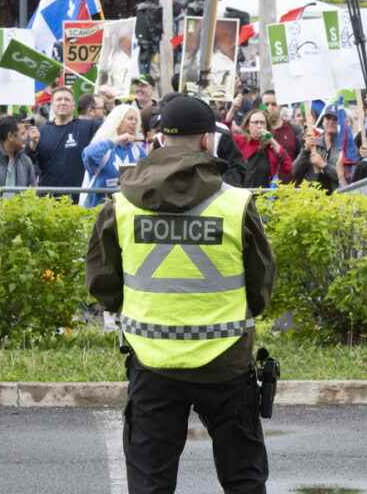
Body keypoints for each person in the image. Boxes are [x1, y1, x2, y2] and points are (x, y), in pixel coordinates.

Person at [85, 95, 274, 494]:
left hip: (151, 361)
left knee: (151, 481)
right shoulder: (236, 204)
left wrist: (138, 309)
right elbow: (260, 284)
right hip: (226, 360)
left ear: (156, 139)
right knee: (243, 478)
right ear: (208, 141)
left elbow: (102, 282)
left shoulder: (120, 205)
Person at [28, 86, 100, 202]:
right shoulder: (40, 132)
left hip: (78, 198)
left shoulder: (88, 127)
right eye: (59, 99)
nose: (63, 102)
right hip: (48, 200)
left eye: (67, 100)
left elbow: (111, 127)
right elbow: (29, 162)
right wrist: (32, 144)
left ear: (73, 105)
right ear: (52, 104)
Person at [80, 104, 149, 208]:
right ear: (118, 121)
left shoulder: (137, 151)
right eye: (130, 118)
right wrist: (115, 140)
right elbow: (88, 155)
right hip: (97, 211)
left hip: (126, 212)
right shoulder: (104, 147)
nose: (134, 122)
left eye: (136, 120)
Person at [231, 109, 292, 187]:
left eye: (262, 123)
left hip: (263, 195)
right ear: (247, 126)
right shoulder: (238, 141)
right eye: (256, 122)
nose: (259, 126)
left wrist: (272, 141)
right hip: (242, 193)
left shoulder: (271, 147)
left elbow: (288, 167)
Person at [0, 116, 37, 192]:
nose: (27, 137)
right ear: (10, 136)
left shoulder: (26, 161)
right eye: (23, 134)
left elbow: (32, 192)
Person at [292, 104, 342, 193]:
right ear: (322, 121)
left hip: (336, 197)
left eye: (335, 119)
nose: (331, 122)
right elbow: (294, 172)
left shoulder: (345, 146)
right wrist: (305, 151)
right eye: (328, 118)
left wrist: (324, 165)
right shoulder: (313, 143)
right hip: (312, 198)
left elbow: (347, 176)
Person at [261, 90, 302, 162]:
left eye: (274, 104)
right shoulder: (257, 129)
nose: (270, 107)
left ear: (281, 106)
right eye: (266, 104)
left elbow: (300, 158)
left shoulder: (294, 129)